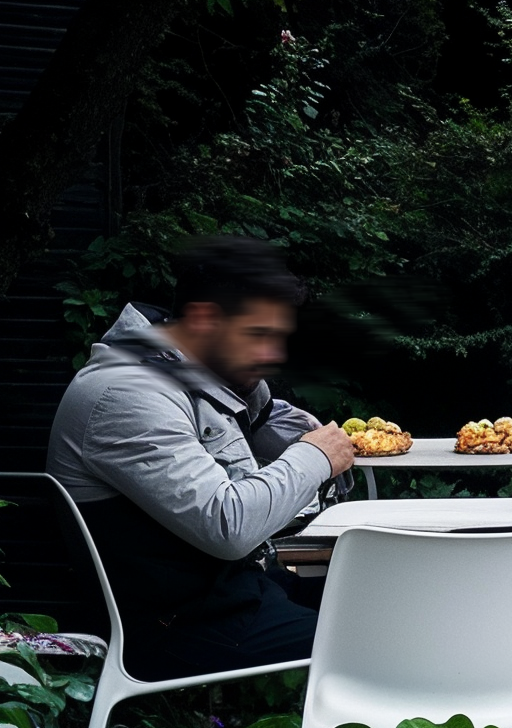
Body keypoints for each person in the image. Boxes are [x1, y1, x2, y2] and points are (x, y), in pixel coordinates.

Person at [45, 235, 356, 681]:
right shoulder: (126, 393)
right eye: (258, 336)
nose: (272, 356)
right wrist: (316, 457)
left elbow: (261, 434)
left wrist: (300, 432)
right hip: (180, 628)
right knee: (376, 642)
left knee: (374, 595)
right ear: (205, 319)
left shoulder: (185, 372)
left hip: (231, 596)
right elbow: (229, 525)